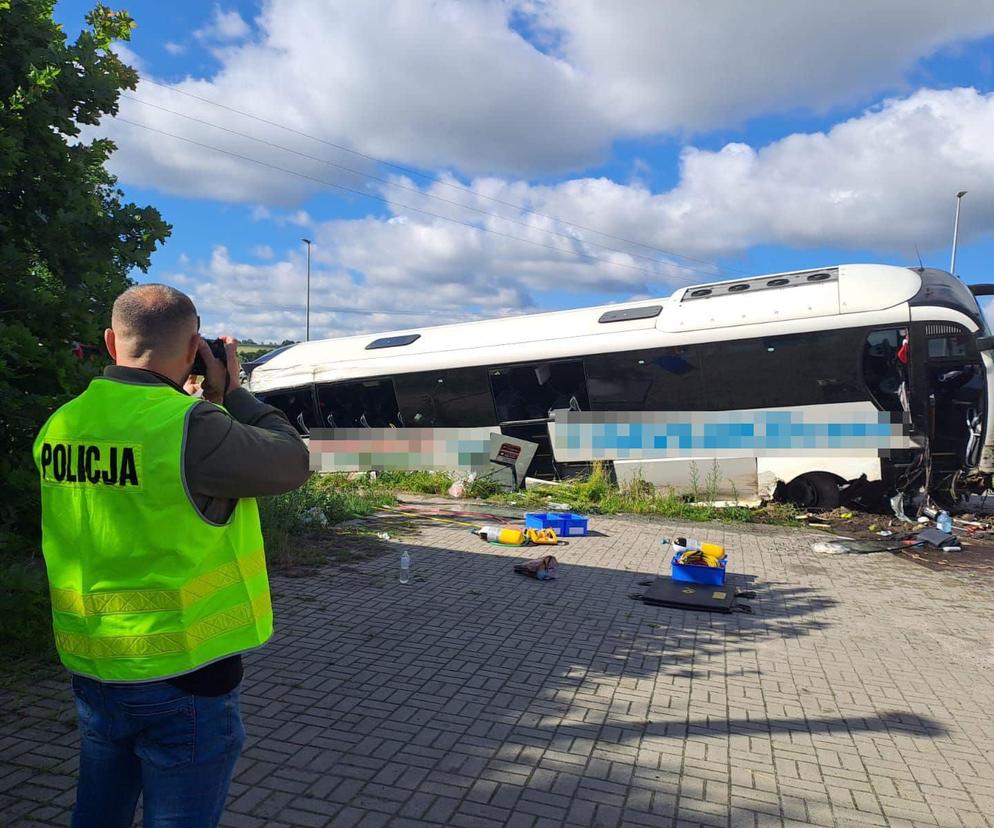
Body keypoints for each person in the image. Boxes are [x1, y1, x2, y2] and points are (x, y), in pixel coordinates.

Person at [33, 284, 311, 828]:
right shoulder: (189, 425)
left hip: (94, 665)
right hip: (182, 675)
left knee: (97, 812)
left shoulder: (61, 423)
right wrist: (235, 394)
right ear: (192, 350)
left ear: (111, 342)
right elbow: (291, 462)